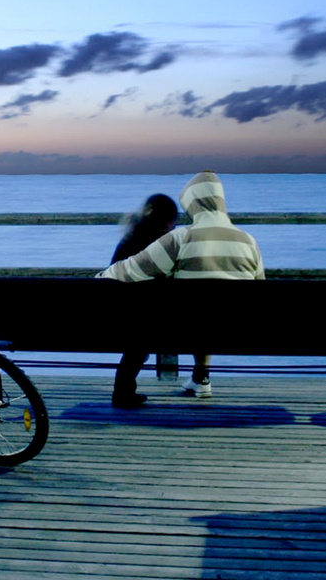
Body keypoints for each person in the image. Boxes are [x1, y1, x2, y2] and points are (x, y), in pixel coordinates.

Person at [98, 171, 264, 398]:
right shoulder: (249, 241)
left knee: (196, 312)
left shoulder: (180, 238)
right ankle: (201, 377)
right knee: (207, 312)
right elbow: (261, 291)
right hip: (240, 330)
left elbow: (131, 270)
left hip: (182, 329)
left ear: (192, 203)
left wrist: (99, 278)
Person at [107, 192, 178, 408]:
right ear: (167, 223)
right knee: (143, 334)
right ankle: (201, 377)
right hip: (148, 320)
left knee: (137, 339)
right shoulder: (161, 246)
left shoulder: (130, 239)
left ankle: (123, 390)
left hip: (120, 316)